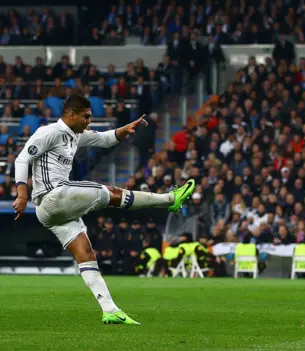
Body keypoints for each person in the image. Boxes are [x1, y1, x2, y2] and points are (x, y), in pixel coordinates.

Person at [12, 94, 195, 325]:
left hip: (51, 212)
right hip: (53, 195)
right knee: (110, 193)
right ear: (71, 115)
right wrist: (21, 193)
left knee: (86, 254)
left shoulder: (75, 136)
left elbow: (105, 139)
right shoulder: (49, 133)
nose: (89, 121)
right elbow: (21, 159)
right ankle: (170, 199)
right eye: (86, 117)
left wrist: (125, 129)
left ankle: (110, 310)